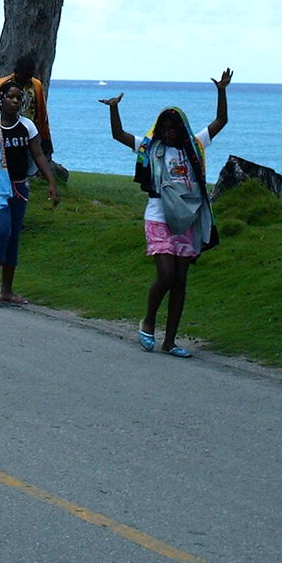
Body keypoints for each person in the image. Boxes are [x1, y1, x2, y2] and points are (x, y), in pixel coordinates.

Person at [102, 70, 231, 357]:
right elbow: (118, 135)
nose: (170, 135)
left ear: (182, 129)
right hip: (159, 215)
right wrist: (114, 109)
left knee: (181, 281)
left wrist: (221, 91)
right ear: (159, 130)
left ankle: (170, 340)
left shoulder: (194, 147)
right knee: (166, 275)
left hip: (186, 218)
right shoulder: (151, 147)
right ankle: (148, 320)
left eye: (174, 130)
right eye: (165, 130)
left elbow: (221, 122)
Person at [0, 77, 60, 307]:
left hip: (19, 187)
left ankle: (7, 289)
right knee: (1, 231)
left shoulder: (27, 126)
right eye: (11, 97)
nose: (15, 101)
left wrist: (51, 182)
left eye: (19, 98)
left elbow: (38, 155)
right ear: (1, 100)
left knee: (13, 237)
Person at [0, 53, 54, 169]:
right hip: (6, 131)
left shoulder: (36, 85)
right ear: (16, 72)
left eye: (30, 76)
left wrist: (45, 138)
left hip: (28, 131)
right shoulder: (3, 84)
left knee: (27, 164)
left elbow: (41, 112)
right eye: (24, 76)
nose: (27, 79)